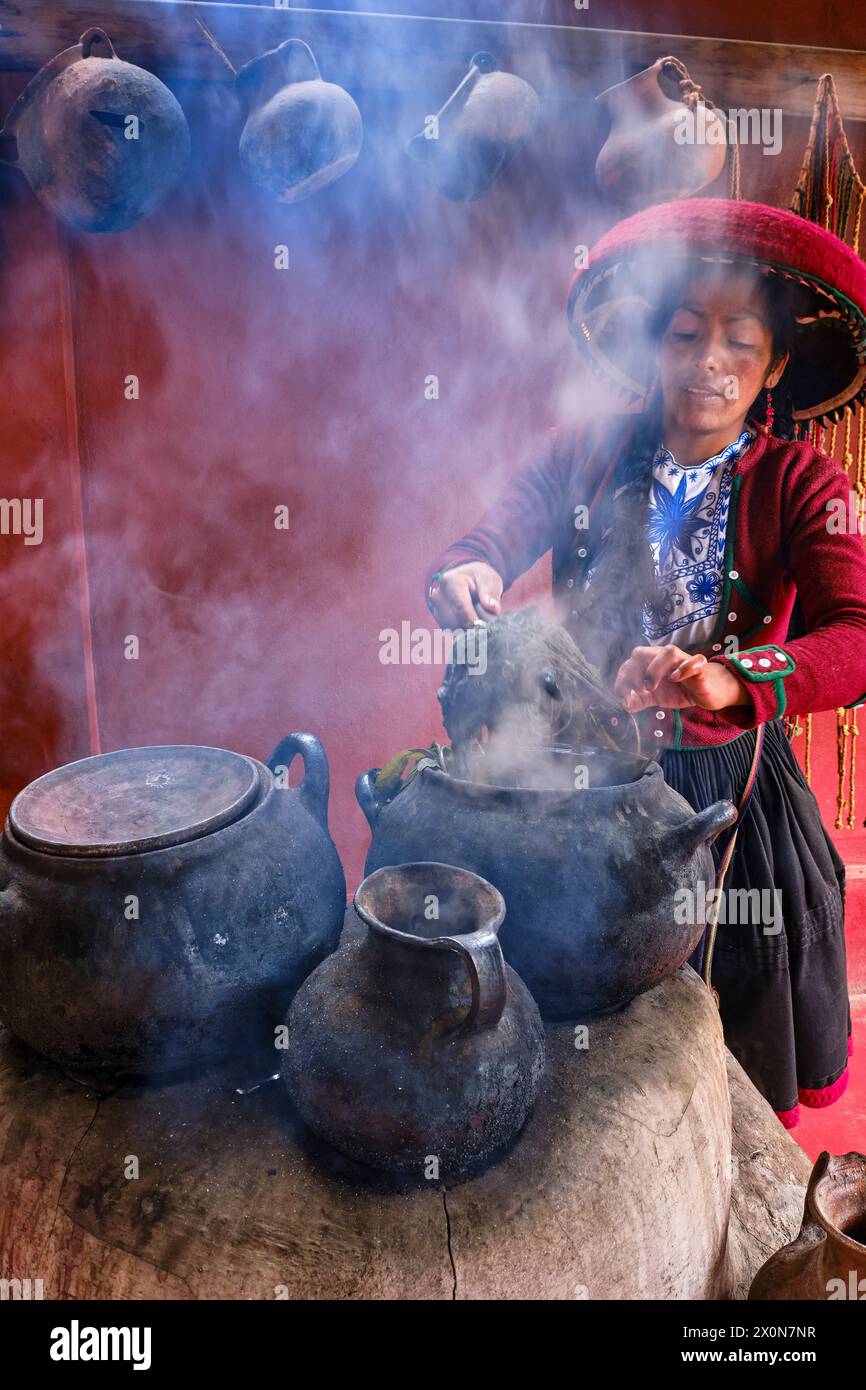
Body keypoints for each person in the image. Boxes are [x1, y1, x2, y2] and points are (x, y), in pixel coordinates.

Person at [425, 198, 866, 1128]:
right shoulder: (585, 450)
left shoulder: (802, 484)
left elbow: (855, 631)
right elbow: (499, 527)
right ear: (654, 345)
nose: (709, 360)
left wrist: (737, 676)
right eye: (683, 332)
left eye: (740, 342)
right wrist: (469, 564)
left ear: (775, 364)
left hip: (723, 788)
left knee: (722, 1036)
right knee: (581, 1022)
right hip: (574, 778)